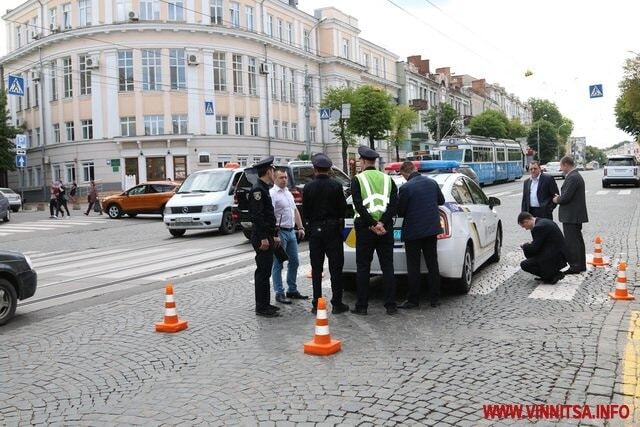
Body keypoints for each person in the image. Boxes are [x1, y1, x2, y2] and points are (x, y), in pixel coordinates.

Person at [350, 146, 399, 316]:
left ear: (363, 161)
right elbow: (394, 205)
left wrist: (371, 224)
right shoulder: (388, 180)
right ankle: (390, 305)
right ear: (375, 162)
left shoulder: (357, 180)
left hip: (365, 229)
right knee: (388, 267)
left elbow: (358, 205)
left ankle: (362, 306)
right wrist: (382, 223)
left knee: (363, 267)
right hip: (385, 229)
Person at [302, 153, 349, 315]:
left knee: (316, 268)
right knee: (336, 268)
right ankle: (337, 303)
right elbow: (342, 209)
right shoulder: (336, 186)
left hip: (315, 231)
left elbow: (305, 211)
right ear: (329, 170)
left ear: (315, 169)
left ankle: (316, 303)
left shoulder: (308, 187)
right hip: (333, 231)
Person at [397, 161, 445, 309]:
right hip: (431, 230)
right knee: (432, 264)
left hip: (413, 233)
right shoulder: (432, 183)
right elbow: (441, 201)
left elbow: (401, 212)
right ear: (414, 169)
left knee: (413, 266)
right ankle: (435, 299)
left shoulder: (405, 188)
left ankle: (413, 300)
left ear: (405, 173)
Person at [248, 156, 281, 317]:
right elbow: (257, 216)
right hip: (261, 237)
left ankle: (266, 303)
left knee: (266, 271)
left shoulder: (263, 188)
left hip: (267, 235)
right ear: (268, 171)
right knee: (262, 272)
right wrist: (263, 238)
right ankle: (261, 307)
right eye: (273, 170)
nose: (274, 173)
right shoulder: (258, 190)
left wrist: (273, 235)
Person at [270, 168, 308, 305]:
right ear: (275, 179)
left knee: (295, 261)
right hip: (279, 232)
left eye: (285, 177)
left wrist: (301, 227)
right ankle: (279, 293)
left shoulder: (288, 193)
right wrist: (274, 234)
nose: (284, 180)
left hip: (291, 231)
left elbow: (295, 210)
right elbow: (270, 215)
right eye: (281, 178)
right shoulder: (272, 194)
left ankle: (292, 290)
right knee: (278, 263)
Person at [552, 156, 588, 274]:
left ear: (566, 165)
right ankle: (580, 264)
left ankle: (575, 266)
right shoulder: (575, 176)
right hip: (574, 214)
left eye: (561, 166)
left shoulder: (573, 177)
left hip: (571, 215)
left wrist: (557, 199)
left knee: (572, 241)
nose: (561, 169)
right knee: (577, 241)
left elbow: (566, 197)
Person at [517, 212, 568, 284]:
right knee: (531, 256)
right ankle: (550, 273)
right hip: (556, 253)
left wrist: (524, 245)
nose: (525, 229)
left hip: (555, 257)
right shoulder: (542, 221)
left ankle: (552, 275)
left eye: (524, 226)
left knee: (525, 264)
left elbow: (534, 249)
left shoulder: (538, 227)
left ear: (526, 221)